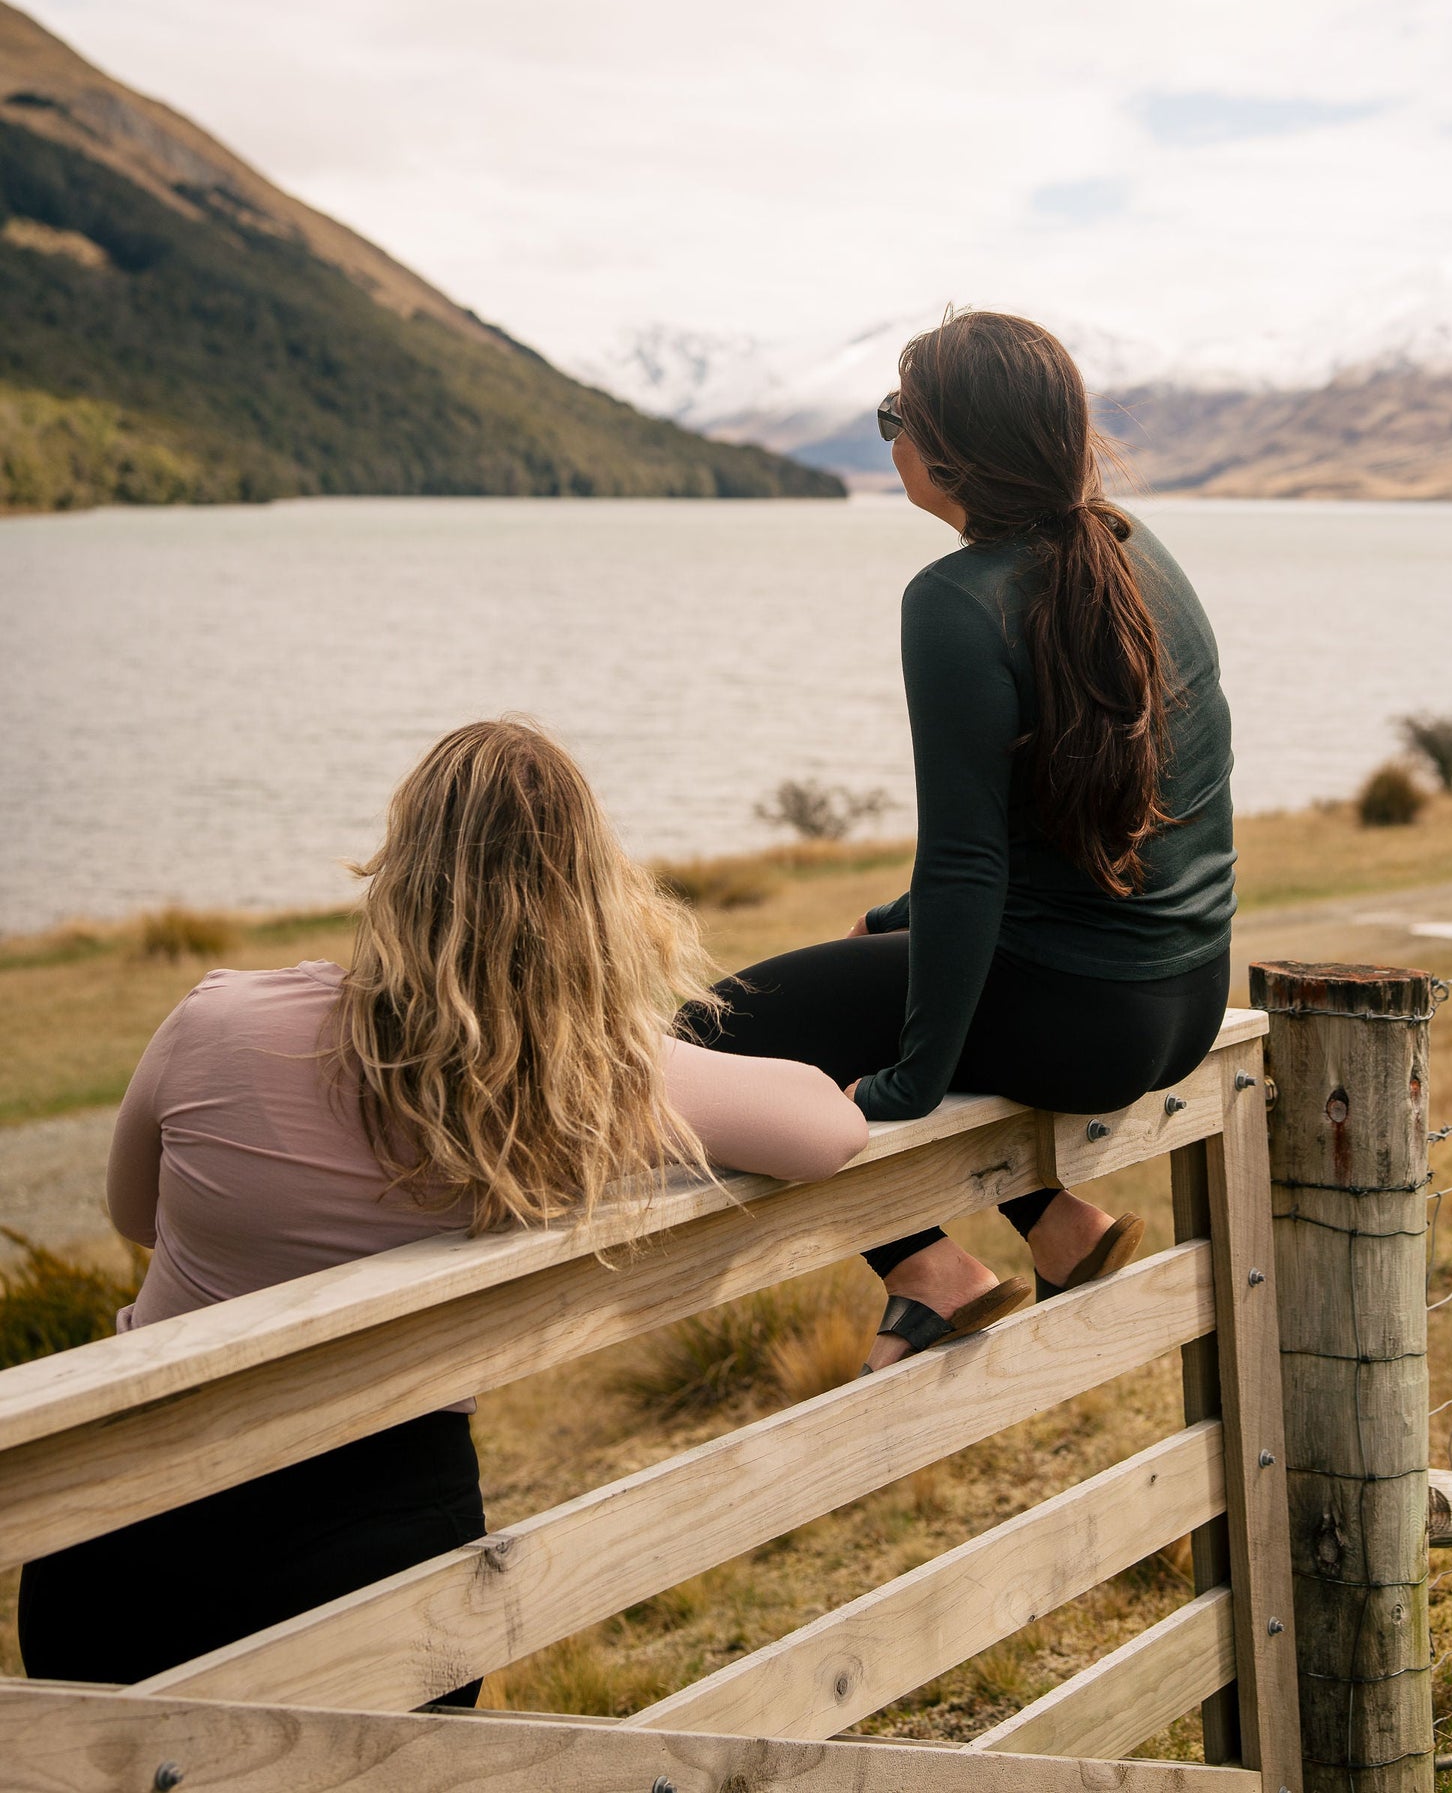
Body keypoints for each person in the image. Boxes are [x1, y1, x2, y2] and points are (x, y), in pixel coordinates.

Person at [19, 719, 867, 1695]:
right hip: (377, 1546)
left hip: (122, 1526)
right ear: (586, 899)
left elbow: (133, 1215)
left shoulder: (217, 1020)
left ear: (399, 865)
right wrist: (593, 1019)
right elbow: (827, 1129)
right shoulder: (580, 1078)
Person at [677, 311, 1235, 1373]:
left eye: (896, 415)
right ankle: (1057, 1225)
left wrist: (908, 1084)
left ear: (951, 453)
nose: (889, 438)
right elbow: (1076, 823)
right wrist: (903, 921)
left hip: (1081, 1021)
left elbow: (970, 861)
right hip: (1184, 1001)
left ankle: (929, 1270)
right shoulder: (1129, 548)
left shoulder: (953, 601)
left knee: (702, 1036)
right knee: (873, 960)